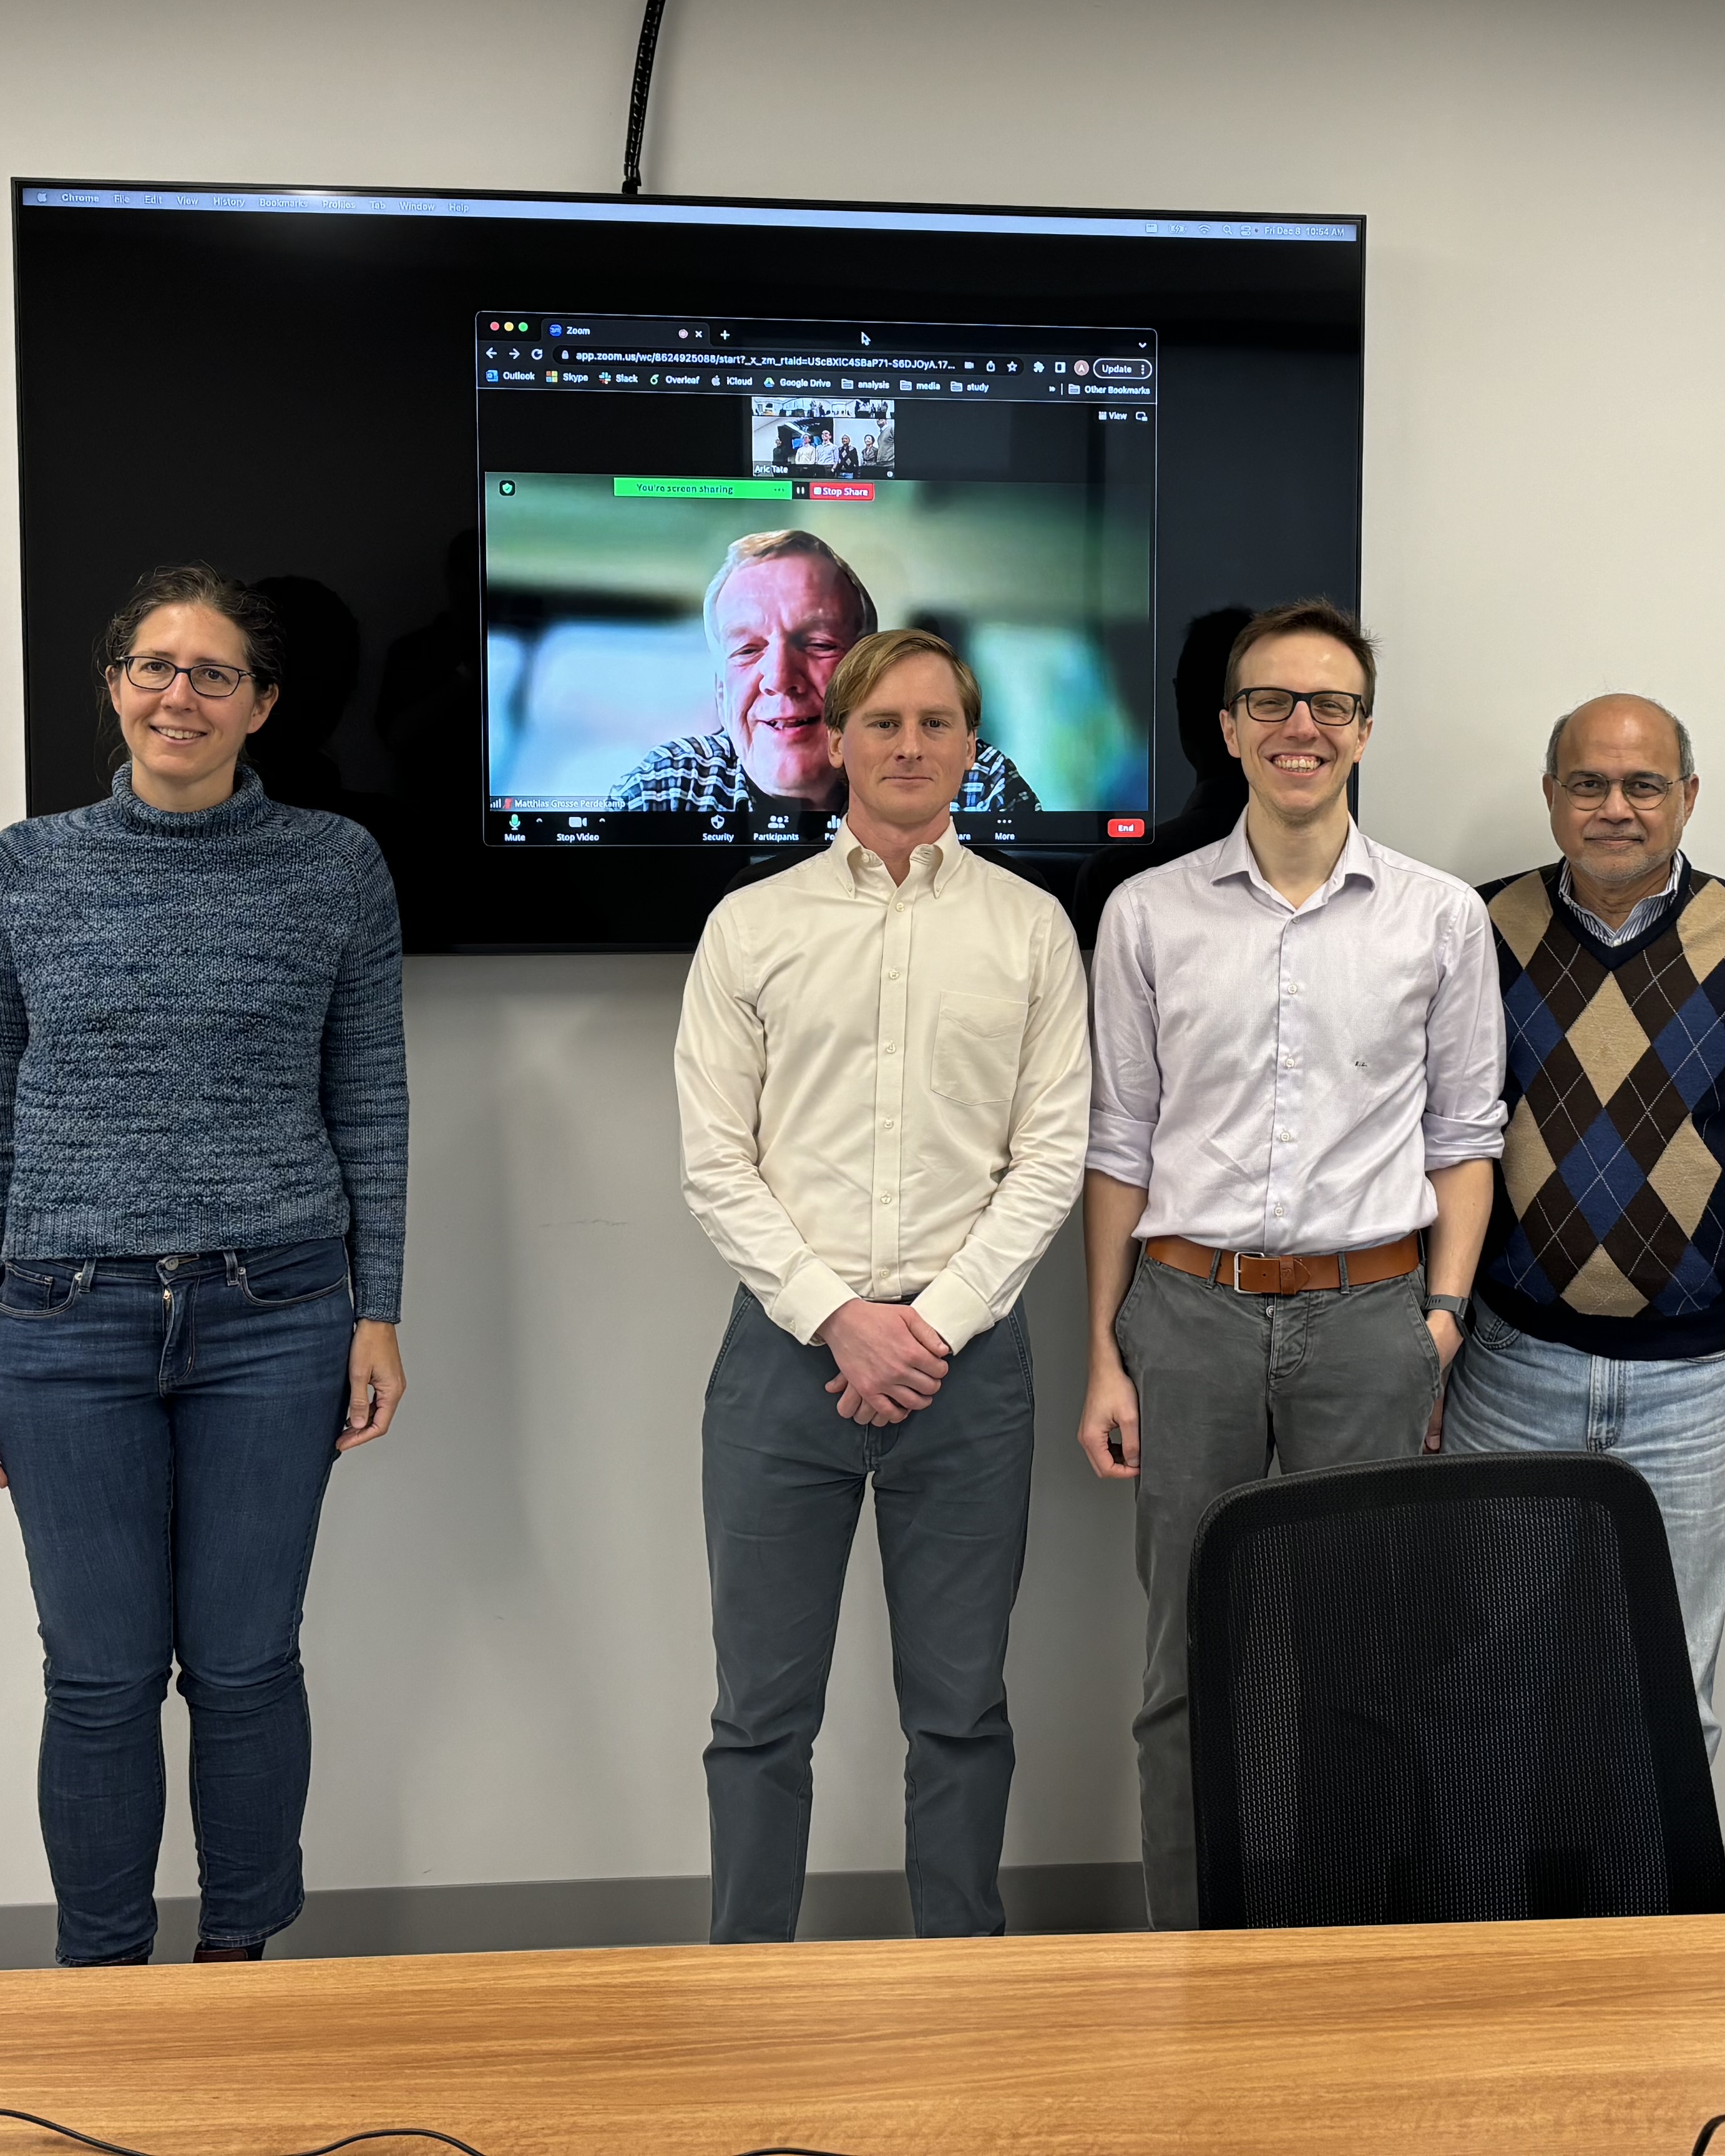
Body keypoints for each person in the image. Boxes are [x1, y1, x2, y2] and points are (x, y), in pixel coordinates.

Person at [0, 562, 409, 1969]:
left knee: (249, 1667)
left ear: (261, 705)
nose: (177, 695)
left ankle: (241, 1973)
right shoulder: (26, 869)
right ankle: (104, 1983)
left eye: (212, 674)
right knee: (99, 1678)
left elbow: (369, 1101)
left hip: (277, 1313)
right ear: (115, 686)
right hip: (62, 1323)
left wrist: (377, 1306)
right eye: (153, 666)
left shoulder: (335, 867)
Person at [1077, 599, 1504, 1928]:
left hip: (1371, 1313)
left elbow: (1466, 1136)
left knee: (1364, 1654)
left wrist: (1439, 1319)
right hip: (1188, 1318)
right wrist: (1103, 1349)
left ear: (1364, 730)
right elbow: (1120, 1145)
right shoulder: (1149, 915)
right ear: (1230, 728)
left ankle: (1343, 1945)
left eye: (1328, 704)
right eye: (1272, 702)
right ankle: (1189, 1948)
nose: (1300, 727)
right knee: (1184, 1662)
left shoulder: (1438, 918)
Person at [675, 627, 1089, 1943]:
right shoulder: (752, 927)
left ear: (974, 747)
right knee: (758, 1717)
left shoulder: (1031, 932)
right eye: (884, 722)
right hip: (784, 1363)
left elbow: (1053, 1158)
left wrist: (930, 1327)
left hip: (971, 1375)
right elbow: (714, 1164)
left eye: (938, 723)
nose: (910, 746)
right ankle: (749, 1980)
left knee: (962, 1710)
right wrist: (843, 1322)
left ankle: (961, 1976)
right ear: (836, 741)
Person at [1447, 693, 1725, 1760]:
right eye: (1588, 782)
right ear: (1551, 795)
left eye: (1642, 784)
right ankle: (1502, 1929)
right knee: (1490, 1689)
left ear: (1686, 797)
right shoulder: (1476, 928)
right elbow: (1435, 1150)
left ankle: (1648, 1935)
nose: (1614, 807)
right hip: (1508, 1368)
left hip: (1694, 1386)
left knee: (1660, 1697)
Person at [609, 528, 1039, 820]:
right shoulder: (668, 788)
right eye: (747, 649)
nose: (779, 677)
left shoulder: (971, 780)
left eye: (819, 644)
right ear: (721, 693)